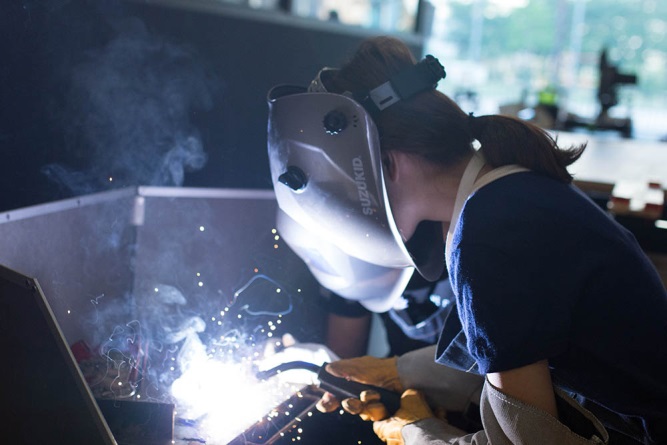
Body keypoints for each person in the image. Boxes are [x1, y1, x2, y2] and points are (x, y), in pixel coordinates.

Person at [266, 36, 667, 444]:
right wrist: (399, 372)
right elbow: (526, 350)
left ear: (387, 162)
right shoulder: (507, 192)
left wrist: (414, 433)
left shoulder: (484, 239)